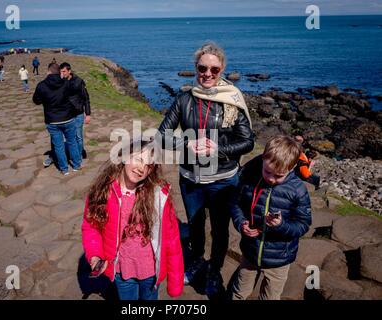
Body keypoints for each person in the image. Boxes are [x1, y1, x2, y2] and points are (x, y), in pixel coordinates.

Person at [157, 42, 254, 296]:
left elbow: (248, 142)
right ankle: (198, 261)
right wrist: (189, 143)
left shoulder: (231, 101)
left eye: (214, 69)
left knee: (221, 229)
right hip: (191, 179)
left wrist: (217, 149)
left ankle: (215, 270)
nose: (207, 74)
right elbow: (161, 136)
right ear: (196, 68)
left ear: (221, 70)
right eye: (202, 68)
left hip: (224, 180)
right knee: (196, 225)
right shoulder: (184, 100)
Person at [81, 138, 184, 300]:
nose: (142, 168)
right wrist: (95, 255)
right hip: (122, 271)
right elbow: (91, 227)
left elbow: (172, 240)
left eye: (149, 165)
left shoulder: (158, 196)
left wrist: (176, 282)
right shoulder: (102, 192)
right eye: (138, 159)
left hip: (150, 272)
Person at [229, 135, 312, 300]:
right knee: (238, 293)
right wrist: (241, 223)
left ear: (292, 167)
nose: (272, 179)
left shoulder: (298, 191)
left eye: (279, 176)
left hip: (280, 258)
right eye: (267, 172)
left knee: (270, 297)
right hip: (251, 252)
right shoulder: (250, 178)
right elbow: (235, 203)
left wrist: (281, 225)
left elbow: (303, 224)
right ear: (263, 159)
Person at [32, 63, 81, 175]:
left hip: (52, 120)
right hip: (68, 118)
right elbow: (74, 96)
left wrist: (46, 98)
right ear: (59, 72)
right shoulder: (66, 83)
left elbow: (36, 101)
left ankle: (64, 169)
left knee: (58, 146)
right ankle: (76, 165)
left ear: (48, 71)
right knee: (72, 142)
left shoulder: (41, 85)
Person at [60, 62, 91, 158]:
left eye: (64, 71)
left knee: (78, 136)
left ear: (69, 71)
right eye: (61, 72)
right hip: (66, 114)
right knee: (68, 137)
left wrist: (88, 114)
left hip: (78, 113)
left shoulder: (78, 81)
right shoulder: (60, 82)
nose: (62, 74)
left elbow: (86, 98)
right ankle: (73, 153)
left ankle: (80, 153)